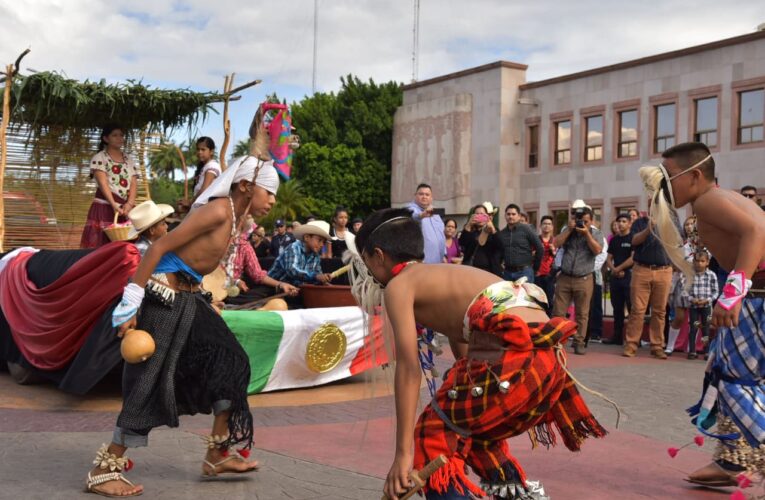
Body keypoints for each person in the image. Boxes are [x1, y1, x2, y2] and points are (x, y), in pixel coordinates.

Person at [347, 208, 606, 500]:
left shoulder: (400, 285)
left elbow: (408, 370)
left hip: (516, 360)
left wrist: (402, 456)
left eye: (366, 262)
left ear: (378, 255)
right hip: (550, 364)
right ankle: (515, 493)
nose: (367, 272)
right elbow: (466, 353)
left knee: (430, 438)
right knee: (477, 436)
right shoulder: (449, 274)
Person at [89, 155, 281, 496]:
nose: (273, 201)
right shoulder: (220, 209)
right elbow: (159, 246)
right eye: (270, 192)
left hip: (192, 299)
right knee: (150, 379)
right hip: (164, 297)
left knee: (231, 362)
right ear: (246, 186)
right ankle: (105, 468)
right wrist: (132, 300)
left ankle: (217, 454)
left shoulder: (234, 216)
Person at [639, 141, 765, 485]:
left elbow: (757, 232)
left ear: (694, 176)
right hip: (755, 297)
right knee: (725, 373)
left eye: (669, 178)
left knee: (734, 382)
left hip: (756, 298)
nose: (664, 187)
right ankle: (732, 462)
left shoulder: (709, 201)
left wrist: (732, 294)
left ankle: (742, 460)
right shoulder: (721, 198)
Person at [621, 204, 673, 359]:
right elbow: (634, 241)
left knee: (660, 311)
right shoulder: (640, 222)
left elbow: (678, 243)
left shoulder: (671, 221)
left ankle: (657, 346)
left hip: (664, 270)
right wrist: (649, 228)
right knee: (637, 310)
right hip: (642, 269)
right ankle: (631, 344)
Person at [552, 205, 604, 355]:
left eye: (586, 221)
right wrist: (569, 229)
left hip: (584, 278)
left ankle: (579, 342)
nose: (582, 224)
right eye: (579, 220)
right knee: (558, 312)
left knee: (582, 313)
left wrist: (587, 233)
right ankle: (556, 340)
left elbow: (597, 250)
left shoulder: (596, 233)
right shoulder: (568, 231)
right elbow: (556, 243)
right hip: (565, 277)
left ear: (591, 221)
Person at [80, 124, 139, 248]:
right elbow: (103, 184)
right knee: (100, 244)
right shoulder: (99, 158)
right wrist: (114, 205)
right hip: (104, 206)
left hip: (125, 209)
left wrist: (129, 205)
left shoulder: (129, 160)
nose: (119, 138)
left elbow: (134, 184)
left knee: (123, 244)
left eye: (121, 135)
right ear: (106, 139)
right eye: (115, 135)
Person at [225, 220, 298, 307]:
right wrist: (235, 281)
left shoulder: (245, 246)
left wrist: (281, 285)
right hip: (215, 286)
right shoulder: (216, 242)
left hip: (234, 291)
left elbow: (258, 275)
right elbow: (215, 271)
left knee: (269, 290)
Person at [665, 216, 697, 355]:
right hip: (683, 283)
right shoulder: (682, 245)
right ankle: (670, 346)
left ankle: (692, 348)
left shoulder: (706, 245)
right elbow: (675, 264)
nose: (689, 227)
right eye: (687, 224)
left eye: (692, 224)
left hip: (700, 284)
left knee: (696, 319)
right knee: (679, 317)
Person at [268, 220, 334, 287]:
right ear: (306, 237)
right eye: (319, 240)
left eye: (324, 242)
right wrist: (316, 276)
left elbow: (317, 274)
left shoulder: (315, 255)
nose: (322, 245)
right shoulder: (294, 248)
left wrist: (323, 280)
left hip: (292, 289)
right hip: (272, 286)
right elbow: (292, 270)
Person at [678, 249, 717, 360]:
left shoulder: (711, 275)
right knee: (693, 328)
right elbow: (684, 290)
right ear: (693, 261)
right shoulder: (689, 275)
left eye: (702, 261)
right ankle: (692, 351)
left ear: (707, 262)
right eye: (697, 261)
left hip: (706, 306)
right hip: (694, 306)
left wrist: (708, 300)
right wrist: (692, 299)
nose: (699, 263)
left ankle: (706, 352)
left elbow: (715, 291)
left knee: (706, 329)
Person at [605, 214, 633, 345]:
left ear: (629, 223)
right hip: (616, 277)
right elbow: (609, 257)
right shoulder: (614, 240)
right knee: (617, 308)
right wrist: (614, 269)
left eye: (624, 221)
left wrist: (620, 268)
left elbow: (633, 258)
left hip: (629, 276)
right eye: (619, 221)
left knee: (631, 307)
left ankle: (632, 338)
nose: (621, 224)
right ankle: (617, 337)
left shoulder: (633, 238)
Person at [497, 203, 544, 283]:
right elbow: (499, 253)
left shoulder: (526, 229)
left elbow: (539, 248)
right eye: (508, 214)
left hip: (524, 272)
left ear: (519, 216)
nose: (510, 216)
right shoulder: (502, 234)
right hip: (507, 272)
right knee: (508, 295)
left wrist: (535, 268)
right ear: (505, 216)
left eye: (513, 214)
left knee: (525, 295)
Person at [458, 203, 502, 276]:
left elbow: (500, 246)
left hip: (489, 271)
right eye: (477, 214)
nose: (480, 216)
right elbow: (462, 242)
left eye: (482, 214)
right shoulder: (470, 230)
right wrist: (469, 224)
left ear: (487, 216)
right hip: (472, 269)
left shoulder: (493, 231)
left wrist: (492, 229)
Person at [407, 183, 445, 264]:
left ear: (431, 198)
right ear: (415, 195)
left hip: (439, 259)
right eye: (421, 194)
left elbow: (441, 234)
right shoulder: (410, 209)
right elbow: (412, 216)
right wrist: (421, 215)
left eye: (427, 195)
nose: (424, 197)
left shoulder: (435, 212)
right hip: (422, 261)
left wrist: (444, 254)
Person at [587, 222, 609, 344]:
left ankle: (595, 332)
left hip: (594, 273)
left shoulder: (598, 234)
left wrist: (589, 268)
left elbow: (602, 255)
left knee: (595, 304)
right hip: (578, 274)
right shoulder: (571, 231)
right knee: (581, 305)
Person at [535, 215, 556, 310]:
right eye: (544, 224)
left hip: (550, 275)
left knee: (550, 301)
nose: (546, 226)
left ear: (552, 227)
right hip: (537, 274)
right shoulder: (535, 240)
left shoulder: (555, 241)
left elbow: (559, 257)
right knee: (537, 301)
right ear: (540, 226)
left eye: (549, 224)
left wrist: (554, 251)